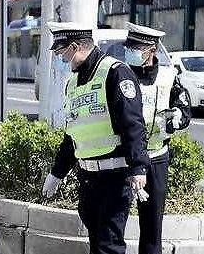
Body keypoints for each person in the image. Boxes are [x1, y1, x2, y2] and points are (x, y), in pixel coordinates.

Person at [41, 21, 150, 254]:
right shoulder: (74, 83)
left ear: (75, 47)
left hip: (114, 176)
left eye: (61, 53)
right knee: (97, 243)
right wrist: (57, 173)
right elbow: (72, 135)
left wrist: (138, 168)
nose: (61, 59)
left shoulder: (114, 73)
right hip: (88, 178)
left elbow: (132, 124)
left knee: (108, 246)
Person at [124, 22, 191, 254]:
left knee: (152, 227)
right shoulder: (121, 74)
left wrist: (175, 121)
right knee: (113, 223)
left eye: (136, 47)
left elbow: (184, 108)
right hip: (124, 159)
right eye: (129, 46)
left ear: (151, 49)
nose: (130, 51)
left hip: (156, 158)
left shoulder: (168, 76)